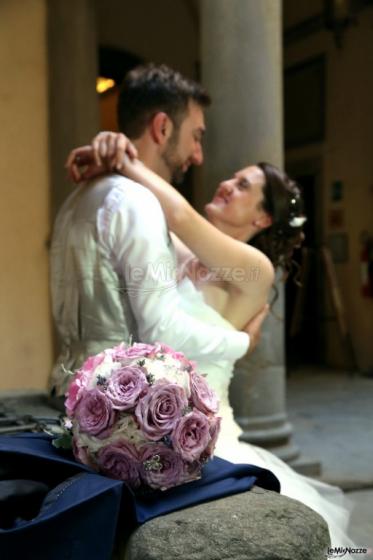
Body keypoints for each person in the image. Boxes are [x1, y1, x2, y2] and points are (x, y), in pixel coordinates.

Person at [67, 131, 356, 552]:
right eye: (233, 177)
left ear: (262, 221)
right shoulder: (182, 249)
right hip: (143, 413)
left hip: (204, 430)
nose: (226, 184)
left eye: (243, 187)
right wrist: (107, 154)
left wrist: (125, 159)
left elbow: (181, 214)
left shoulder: (254, 269)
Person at [49, 64, 268, 403]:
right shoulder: (140, 204)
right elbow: (162, 332)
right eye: (196, 136)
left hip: (68, 394)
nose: (198, 156)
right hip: (120, 409)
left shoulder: (75, 198)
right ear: (163, 127)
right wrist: (244, 342)